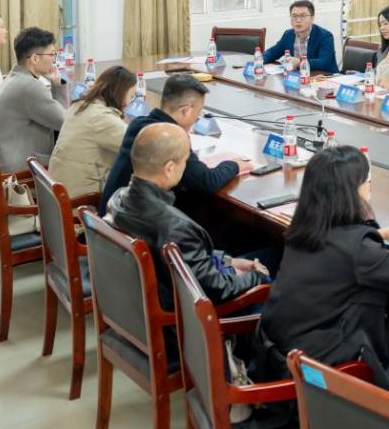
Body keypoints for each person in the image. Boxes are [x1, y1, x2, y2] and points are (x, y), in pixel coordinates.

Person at [257, 146, 389, 391]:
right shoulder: (357, 249)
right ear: (350, 192)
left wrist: (378, 235)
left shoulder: (303, 229)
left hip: (278, 357)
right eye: (366, 181)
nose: (369, 187)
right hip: (318, 376)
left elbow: (340, 249)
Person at [107, 123, 269, 310]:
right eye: (184, 162)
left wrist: (228, 261)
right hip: (184, 318)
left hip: (134, 306)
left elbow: (186, 257)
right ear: (169, 168)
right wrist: (258, 276)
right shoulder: (175, 227)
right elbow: (218, 290)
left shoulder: (117, 199)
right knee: (275, 258)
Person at [100, 74, 254, 216]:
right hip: (134, 226)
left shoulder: (138, 124)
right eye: (198, 114)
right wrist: (234, 165)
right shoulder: (169, 139)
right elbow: (207, 181)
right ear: (185, 111)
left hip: (111, 217)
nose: (197, 119)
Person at [0, 27, 69, 173]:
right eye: (51, 54)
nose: (54, 59)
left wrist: (56, 84)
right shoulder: (30, 87)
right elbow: (65, 123)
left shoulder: (14, 77)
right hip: (14, 171)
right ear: (35, 59)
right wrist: (59, 86)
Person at [49, 66, 137, 198]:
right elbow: (137, 145)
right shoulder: (101, 118)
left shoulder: (80, 105)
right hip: (80, 199)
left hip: (61, 189)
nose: (131, 102)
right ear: (120, 94)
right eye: (131, 96)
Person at [262, 0, 338, 74]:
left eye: (303, 16)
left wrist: (299, 62)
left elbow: (324, 62)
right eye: (294, 16)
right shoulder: (288, 35)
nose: (298, 20)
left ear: (312, 18)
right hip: (298, 77)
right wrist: (261, 59)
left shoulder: (325, 36)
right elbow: (272, 52)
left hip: (326, 77)